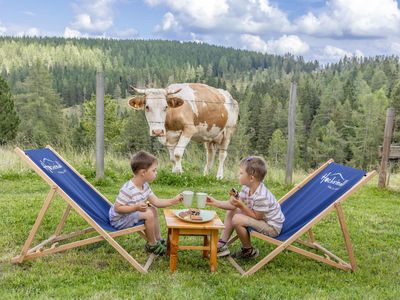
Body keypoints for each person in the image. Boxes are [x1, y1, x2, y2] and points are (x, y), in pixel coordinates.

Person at [206, 156, 285, 259]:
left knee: (237, 218)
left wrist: (241, 205)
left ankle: (248, 251)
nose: (238, 175)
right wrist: (215, 202)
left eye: (241, 173)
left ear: (251, 178)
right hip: (261, 220)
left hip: (271, 227)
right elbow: (232, 205)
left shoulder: (262, 196)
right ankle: (222, 244)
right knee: (233, 210)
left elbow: (258, 217)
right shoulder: (246, 188)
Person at [109, 150, 182, 256]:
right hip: (119, 220)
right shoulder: (128, 189)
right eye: (154, 170)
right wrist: (135, 207)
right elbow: (117, 208)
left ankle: (158, 239)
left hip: (130, 214)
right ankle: (152, 244)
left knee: (152, 208)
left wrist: (173, 200)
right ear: (143, 172)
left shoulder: (145, 186)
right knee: (148, 214)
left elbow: (156, 202)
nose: (156, 173)